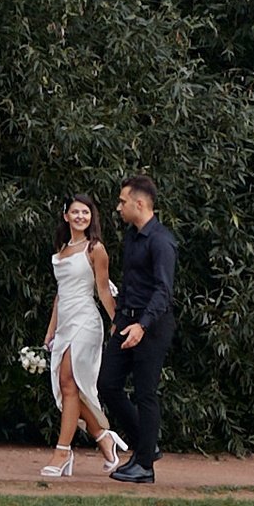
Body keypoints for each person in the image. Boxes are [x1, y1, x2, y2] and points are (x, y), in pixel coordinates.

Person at [37, 191, 125, 482]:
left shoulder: (95, 249)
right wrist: (51, 330)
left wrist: (119, 323)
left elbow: (102, 289)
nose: (80, 217)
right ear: (66, 216)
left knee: (68, 380)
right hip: (65, 322)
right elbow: (61, 295)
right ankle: (103, 437)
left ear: (91, 217)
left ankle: (62, 451)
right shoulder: (62, 250)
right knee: (68, 387)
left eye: (85, 213)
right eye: (75, 212)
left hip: (86, 322)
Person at [100, 176, 177, 483]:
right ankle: (147, 444)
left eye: (122, 201)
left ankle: (144, 466)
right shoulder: (133, 236)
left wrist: (142, 326)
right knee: (107, 384)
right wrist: (119, 319)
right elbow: (130, 282)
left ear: (139, 203)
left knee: (146, 393)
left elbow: (163, 291)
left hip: (152, 326)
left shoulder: (161, 241)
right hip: (127, 319)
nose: (118, 207)